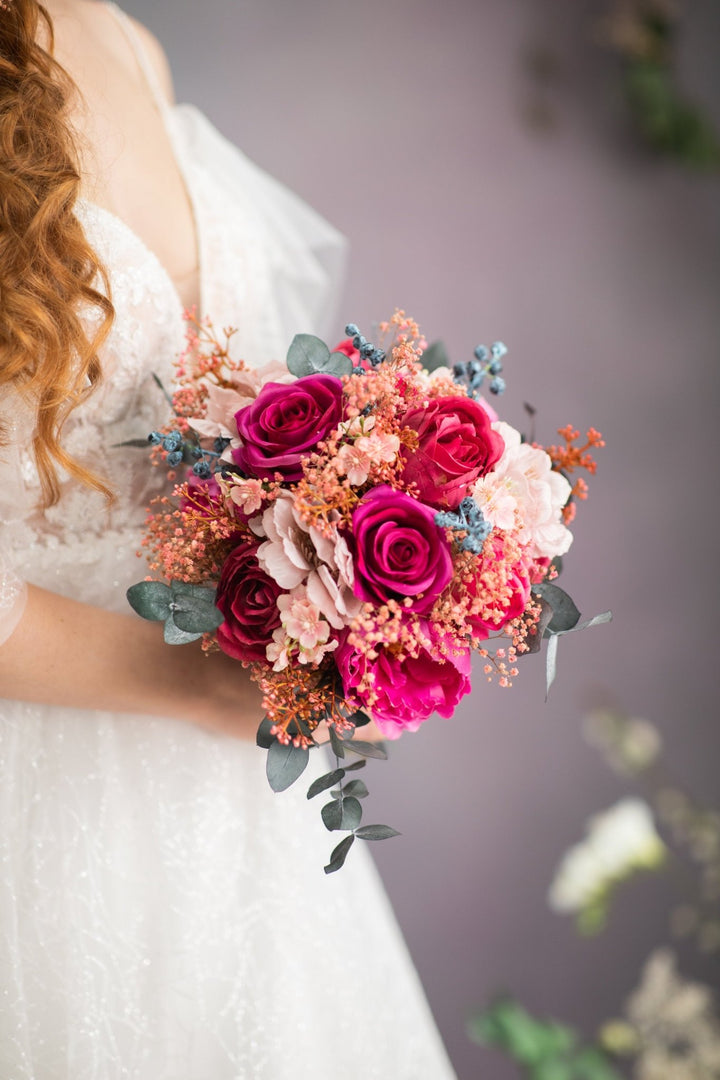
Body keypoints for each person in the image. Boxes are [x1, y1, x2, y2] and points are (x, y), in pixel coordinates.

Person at [0, 2, 457, 1076]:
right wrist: (197, 684)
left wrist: (347, 567)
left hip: (231, 810)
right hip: (43, 773)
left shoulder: (124, 41)